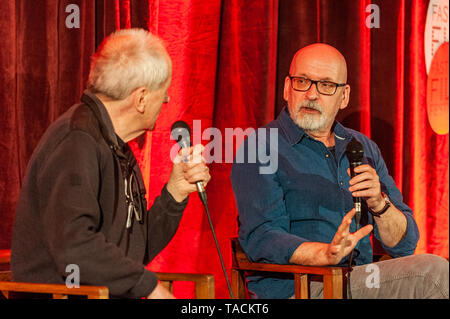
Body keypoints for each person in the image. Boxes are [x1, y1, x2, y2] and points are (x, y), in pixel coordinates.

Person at [230, 43, 449, 299]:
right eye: (302, 82)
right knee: (433, 274)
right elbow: (262, 237)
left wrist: (379, 204)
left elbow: (404, 244)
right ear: (287, 89)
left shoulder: (362, 147)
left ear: (344, 96)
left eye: (326, 85)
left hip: (361, 280)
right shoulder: (260, 147)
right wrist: (324, 254)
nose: (311, 94)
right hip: (300, 288)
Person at [11, 28, 211, 299]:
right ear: (141, 99)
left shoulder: (117, 146)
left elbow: (132, 253)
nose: (167, 101)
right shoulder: (76, 141)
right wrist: (150, 287)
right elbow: (76, 247)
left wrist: (174, 194)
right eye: (163, 93)